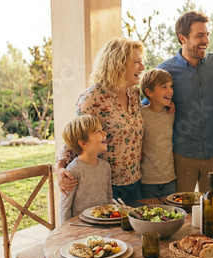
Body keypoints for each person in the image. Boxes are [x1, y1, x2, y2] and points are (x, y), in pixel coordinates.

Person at [56, 37, 145, 203]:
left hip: (134, 181)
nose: (142, 67)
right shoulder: (92, 98)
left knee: (132, 228)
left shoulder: (133, 93)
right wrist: (59, 168)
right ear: (118, 64)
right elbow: (74, 137)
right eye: (136, 62)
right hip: (103, 184)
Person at [158, 11, 213, 194]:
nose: (205, 40)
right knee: (182, 211)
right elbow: (151, 105)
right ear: (183, 38)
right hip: (183, 154)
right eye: (199, 35)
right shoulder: (165, 70)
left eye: (207, 34)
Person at [59, 114, 112, 223]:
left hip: (103, 225)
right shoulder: (73, 171)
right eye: (98, 131)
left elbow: (109, 200)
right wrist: (67, 232)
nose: (105, 133)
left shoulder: (105, 167)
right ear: (83, 143)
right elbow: (65, 208)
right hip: (81, 228)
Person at [139, 68, 176, 198]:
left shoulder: (171, 113)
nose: (170, 91)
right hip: (147, 181)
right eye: (163, 87)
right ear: (149, 92)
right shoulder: (140, 114)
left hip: (169, 179)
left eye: (170, 86)